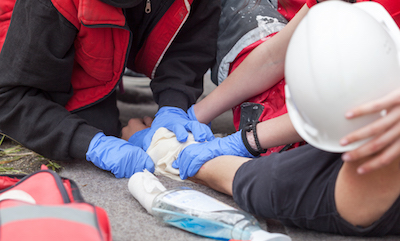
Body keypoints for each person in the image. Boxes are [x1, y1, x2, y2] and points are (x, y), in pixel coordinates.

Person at [126, 0, 400, 237]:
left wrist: (170, 149)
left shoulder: (356, 189)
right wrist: (197, 113)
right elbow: (274, 56)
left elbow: (250, 178)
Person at [0, 0, 220, 178]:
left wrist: (174, 105)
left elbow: (189, 44)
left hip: (95, 32)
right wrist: (92, 143)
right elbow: (10, 98)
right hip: (25, 34)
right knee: (96, 126)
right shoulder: (47, 7)